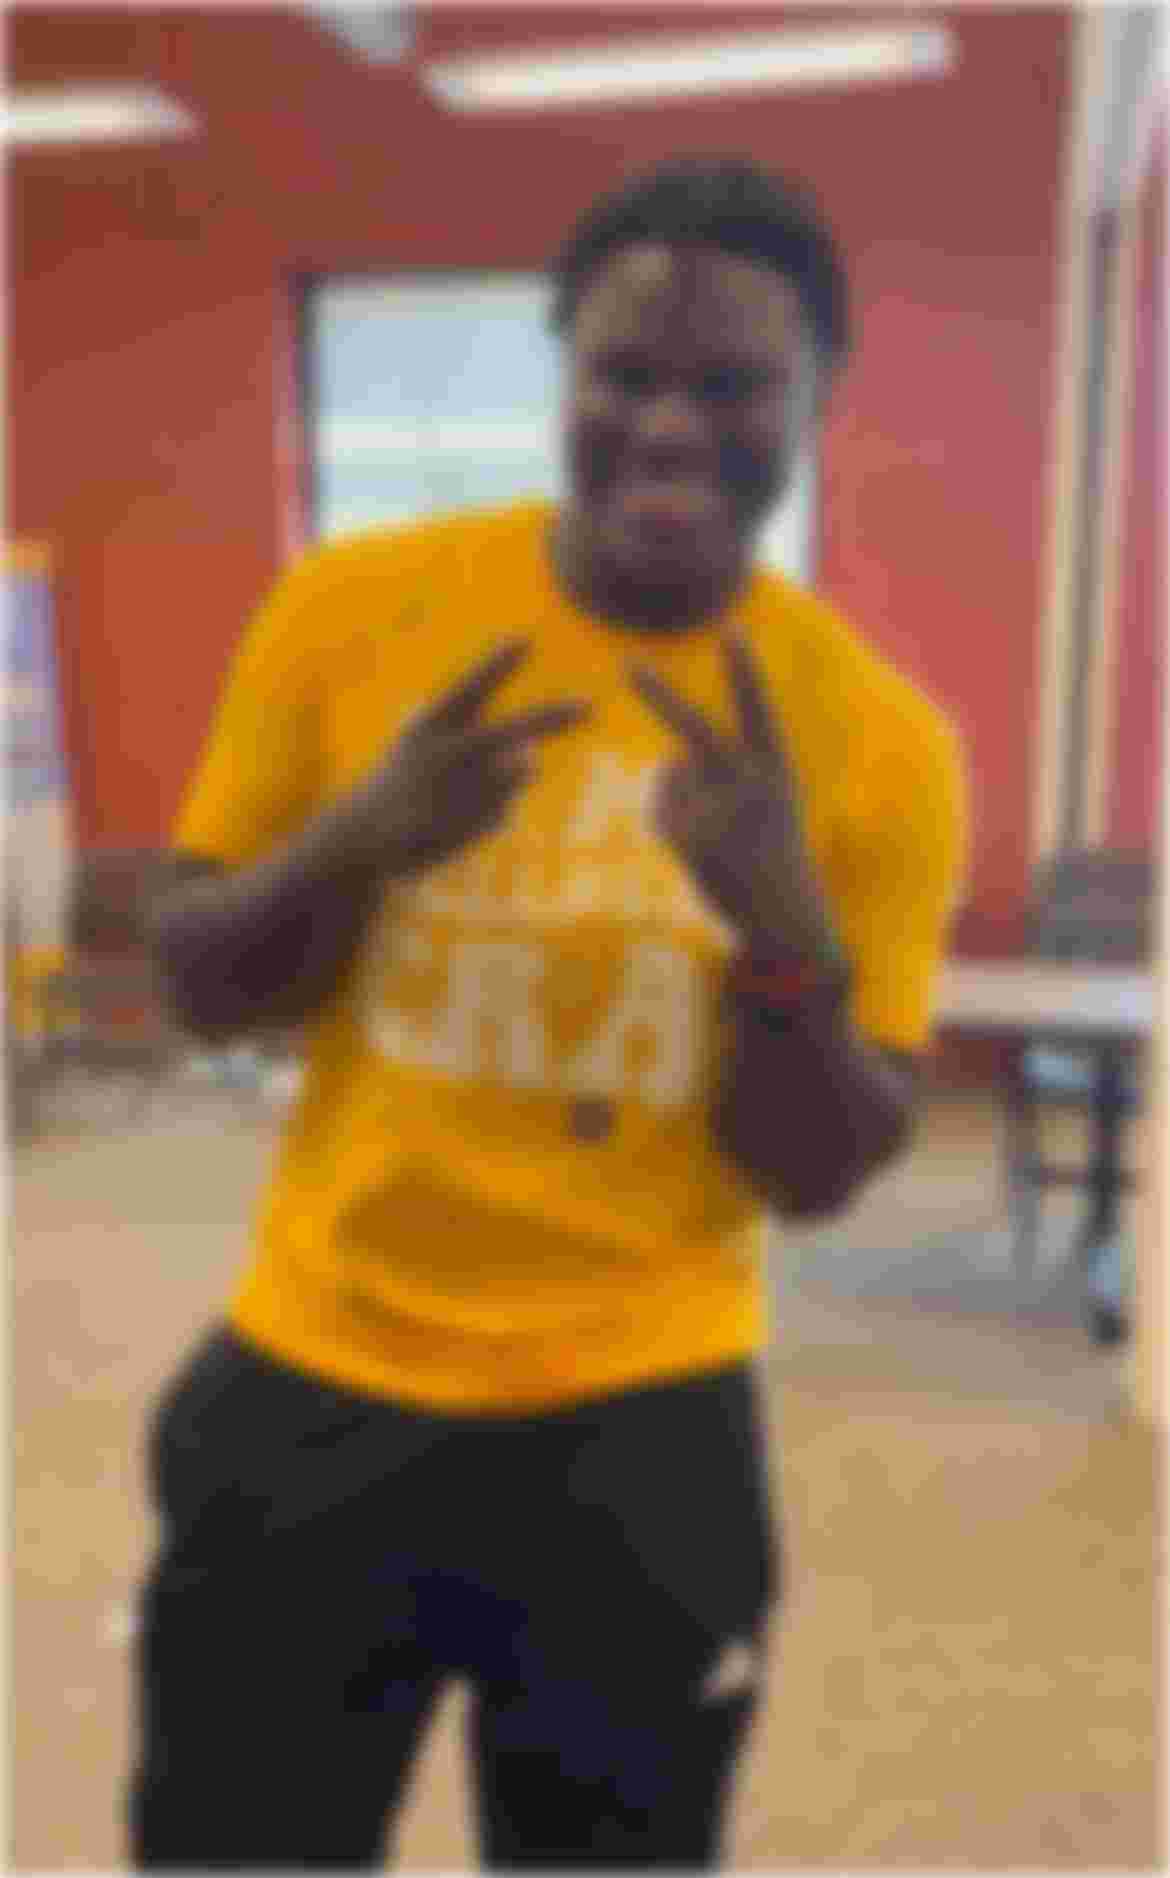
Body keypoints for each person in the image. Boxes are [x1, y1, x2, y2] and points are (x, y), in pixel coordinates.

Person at [133, 155, 967, 1869]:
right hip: (316, 1378)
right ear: (560, 371)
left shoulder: (878, 742)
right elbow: (202, 989)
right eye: (622, 375)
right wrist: (356, 840)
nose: (668, 428)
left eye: (730, 385)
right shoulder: (350, 609)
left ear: (816, 392)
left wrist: (783, 934)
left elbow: (819, 1172)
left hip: (640, 1433)